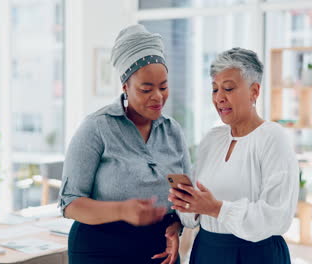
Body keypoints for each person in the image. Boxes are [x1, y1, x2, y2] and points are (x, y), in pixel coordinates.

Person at [59, 24, 190, 264]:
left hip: (159, 251)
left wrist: (176, 224)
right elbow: (69, 203)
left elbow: (185, 197)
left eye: (163, 87)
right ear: (125, 87)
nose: (158, 97)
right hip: (100, 250)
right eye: (146, 89)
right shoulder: (97, 127)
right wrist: (121, 210)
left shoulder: (172, 132)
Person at [169, 47, 299, 264]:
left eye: (228, 88)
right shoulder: (212, 139)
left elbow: (278, 216)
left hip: (256, 255)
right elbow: (195, 213)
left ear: (254, 91)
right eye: (214, 89)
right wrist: (186, 205)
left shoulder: (273, 138)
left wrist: (216, 209)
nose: (219, 98)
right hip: (207, 251)